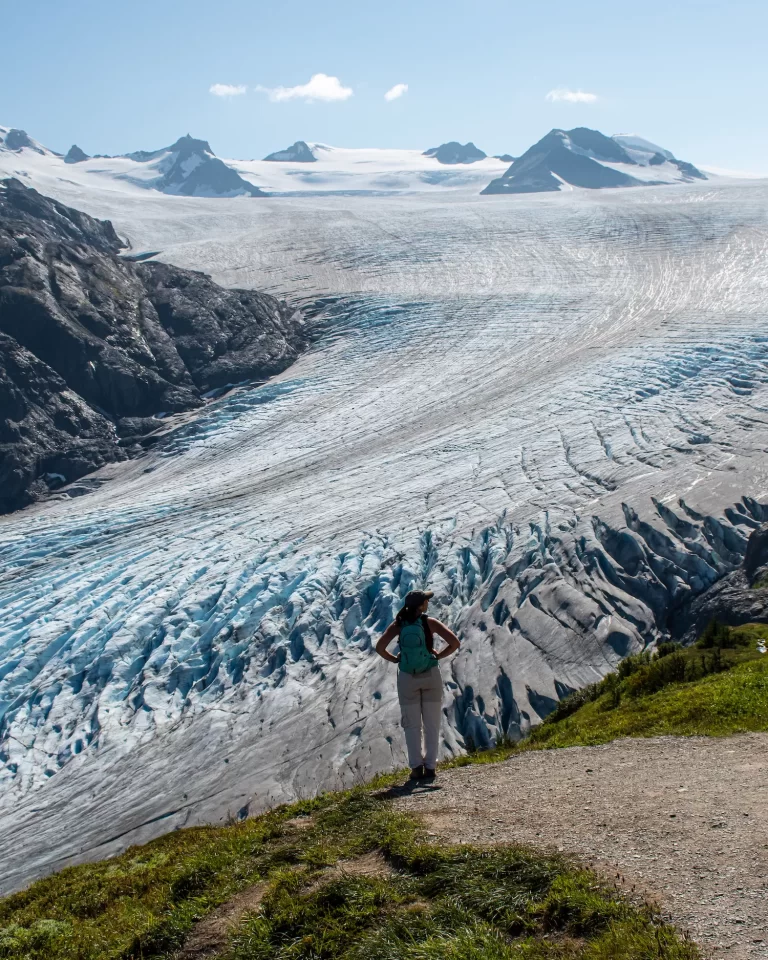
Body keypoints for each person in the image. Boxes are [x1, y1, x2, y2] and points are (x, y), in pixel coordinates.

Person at [375, 589, 460, 781]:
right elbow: (454, 642)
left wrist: (395, 659)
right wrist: (437, 655)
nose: (428, 603)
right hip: (431, 674)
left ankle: (416, 768)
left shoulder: (398, 624)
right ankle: (430, 767)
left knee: (411, 725)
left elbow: (379, 648)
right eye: (426, 601)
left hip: (407, 677)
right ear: (421, 605)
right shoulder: (429, 623)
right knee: (432, 723)